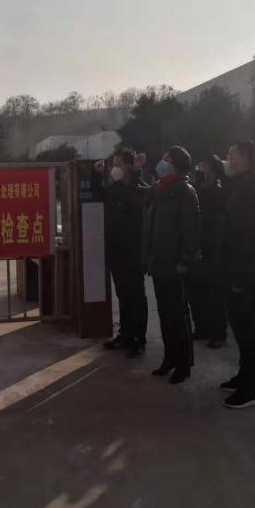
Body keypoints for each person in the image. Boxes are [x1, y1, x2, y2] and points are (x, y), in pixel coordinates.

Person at [217, 141, 255, 408]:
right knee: (239, 324)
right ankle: (244, 375)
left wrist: (240, 272)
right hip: (233, 265)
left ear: (249, 158)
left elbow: (250, 235)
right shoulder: (240, 183)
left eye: (235, 156)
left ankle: (251, 388)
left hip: (243, 267)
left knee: (248, 327)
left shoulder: (254, 187)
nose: (230, 160)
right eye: (229, 155)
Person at [143, 146, 201, 384]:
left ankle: (183, 363)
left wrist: (184, 260)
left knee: (178, 314)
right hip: (160, 261)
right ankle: (170, 358)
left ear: (176, 164)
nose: (161, 162)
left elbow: (191, 230)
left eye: (166, 160)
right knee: (165, 313)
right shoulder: (160, 189)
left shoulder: (184, 192)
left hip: (175, 263)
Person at [99, 149, 150, 358]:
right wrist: (97, 173)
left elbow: (137, 203)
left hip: (133, 252)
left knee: (136, 295)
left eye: (118, 163)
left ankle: (138, 338)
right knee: (123, 295)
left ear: (129, 166)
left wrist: (135, 174)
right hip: (116, 251)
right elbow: (101, 194)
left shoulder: (139, 188)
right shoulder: (116, 188)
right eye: (114, 163)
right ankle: (125, 334)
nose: (115, 168)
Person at [189, 155, 227, 348]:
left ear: (212, 169)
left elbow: (219, 223)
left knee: (214, 294)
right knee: (197, 292)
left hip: (212, 248)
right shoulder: (196, 188)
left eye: (203, 165)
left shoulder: (219, 191)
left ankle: (218, 333)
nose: (199, 168)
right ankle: (201, 327)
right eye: (199, 164)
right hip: (196, 246)